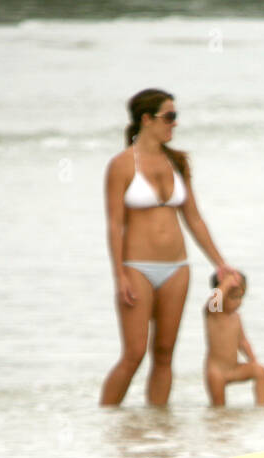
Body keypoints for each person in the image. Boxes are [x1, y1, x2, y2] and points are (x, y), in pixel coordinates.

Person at [100, 89, 240, 407]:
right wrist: (119, 275)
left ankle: (157, 428)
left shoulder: (177, 162)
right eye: (169, 117)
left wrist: (220, 262)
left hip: (178, 268)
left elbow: (193, 217)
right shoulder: (121, 165)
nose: (174, 124)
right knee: (134, 354)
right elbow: (114, 225)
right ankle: (106, 423)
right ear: (146, 120)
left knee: (164, 354)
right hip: (137, 268)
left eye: (175, 117)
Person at [203, 271, 264, 407]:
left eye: (241, 297)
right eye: (233, 297)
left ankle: (262, 407)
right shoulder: (214, 313)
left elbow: (242, 342)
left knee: (260, 371)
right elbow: (216, 298)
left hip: (233, 369)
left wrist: (252, 360)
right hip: (216, 372)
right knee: (219, 410)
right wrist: (227, 281)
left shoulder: (236, 317)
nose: (238, 302)